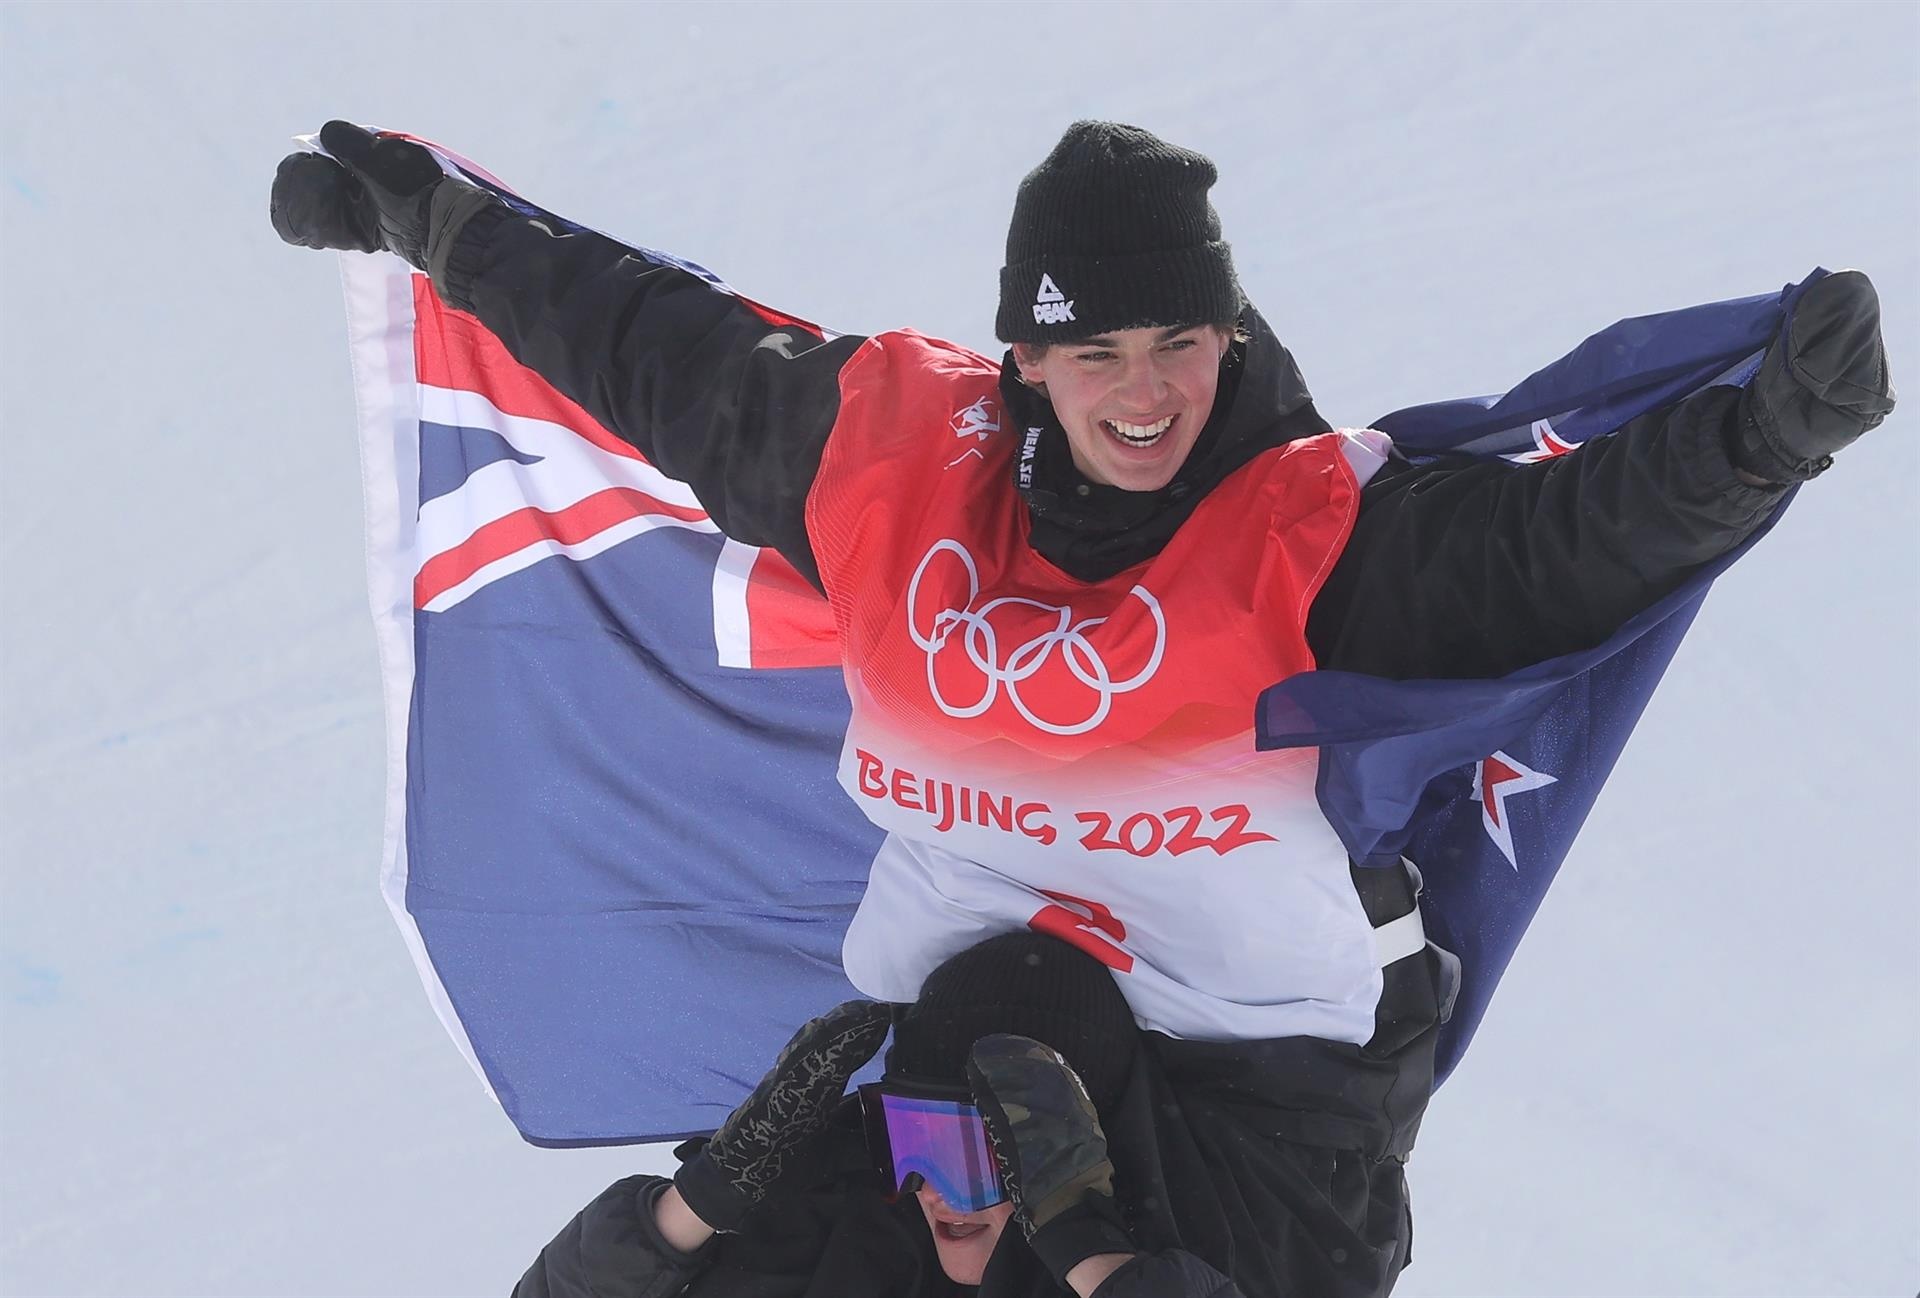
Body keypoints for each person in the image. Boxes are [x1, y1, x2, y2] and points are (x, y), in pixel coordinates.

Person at [272, 119, 1894, 1294]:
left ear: (1226, 335)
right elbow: (674, 357)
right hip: (1187, 1158)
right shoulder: (906, 454)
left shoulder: (1312, 533)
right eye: (1098, 349)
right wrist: (1098, 1239)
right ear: (1029, 363)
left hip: (1174, 1091)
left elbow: (1551, 555)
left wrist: (695, 1214)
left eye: (1178, 341)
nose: (1145, 390)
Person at [517, 932, 1366, 1297]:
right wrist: (701, 1201)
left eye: (997, 1149)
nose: (934, 1191)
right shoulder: (830, 1238)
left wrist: (1086, 1244)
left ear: (1081, 1155)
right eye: (915, 1141)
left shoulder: (1231, 1238)